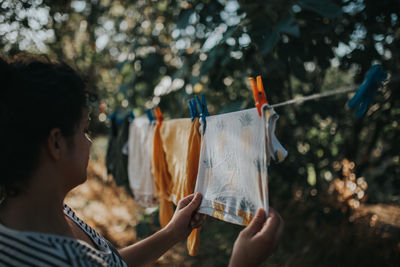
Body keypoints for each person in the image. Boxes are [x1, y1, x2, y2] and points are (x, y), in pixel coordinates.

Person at [0, 54, 284, 266]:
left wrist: (172, 232)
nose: (89, 142)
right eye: (84, 131)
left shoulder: (50, 214)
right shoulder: (58, 259)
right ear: (56, 143)